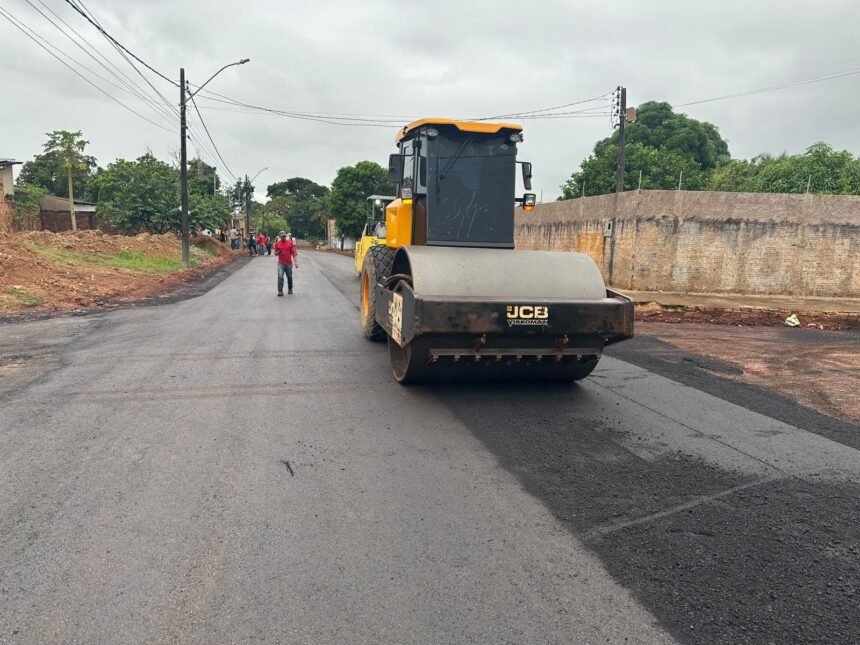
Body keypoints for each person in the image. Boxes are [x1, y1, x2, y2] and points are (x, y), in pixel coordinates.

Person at [273, 230, 298, 296]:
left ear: (286, 236)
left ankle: (290, 288)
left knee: (289, 277)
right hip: (280, 263)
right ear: (280, 237)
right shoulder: (277, 244)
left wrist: (296, 262)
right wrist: (278, 252)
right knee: (280, 276)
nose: (283, 237)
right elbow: (275, 253)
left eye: (284, 236)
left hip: (288, 263)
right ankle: (280, 291)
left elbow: (294, 253)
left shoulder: (290, 243)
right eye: (282, 236)